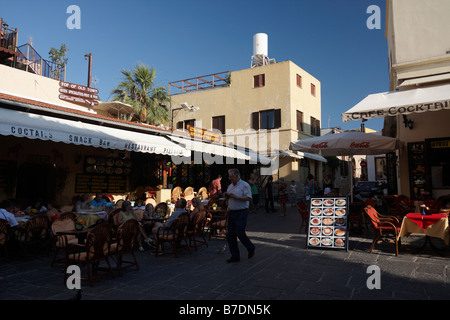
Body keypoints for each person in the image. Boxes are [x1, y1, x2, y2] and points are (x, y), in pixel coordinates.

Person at [225, 168, 255, 263]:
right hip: (232, 211)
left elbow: (249, 198)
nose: (230, 179)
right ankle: (235, 255)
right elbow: (229, 198)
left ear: (237, 176)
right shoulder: (230, 186)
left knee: (239, 232)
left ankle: (250, 247)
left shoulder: (244, 185)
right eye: (229, 177)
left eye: (232, 177)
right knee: (230, 235)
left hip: (241, 211)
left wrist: (237, 197)